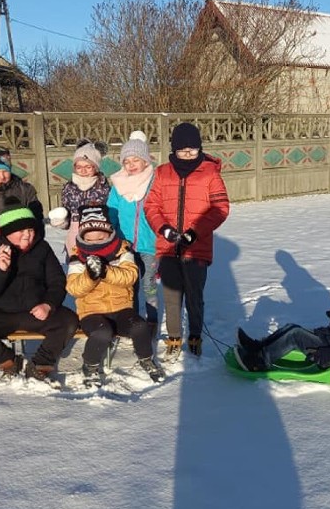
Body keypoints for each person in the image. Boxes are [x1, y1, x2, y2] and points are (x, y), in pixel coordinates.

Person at [0, 197, 79, 380]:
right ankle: (9, 361)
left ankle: (41, 364)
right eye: (20, 230)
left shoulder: (42, 248)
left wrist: (48, 304)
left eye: (30, 229)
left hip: (34, 310)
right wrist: (0, 270)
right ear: (6, 232)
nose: (27, 235)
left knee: (68, 320)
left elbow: (57, 281)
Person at [144, 122, 230, 357]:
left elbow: (220, 207)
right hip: (169, 247)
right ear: (174, 150)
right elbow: (151, 205)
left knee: (194, 296)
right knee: (172, 297)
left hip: (197, 248)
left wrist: (195, 232)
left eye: (193, 150)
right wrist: (163, 229)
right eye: (183, 150)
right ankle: (173, 337)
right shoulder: (162, 173)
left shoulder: (210, 173)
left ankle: (195, 335)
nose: (188, 154)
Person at [66, 204, 165, 387]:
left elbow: (130, 276)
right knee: (102, 332)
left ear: (109, 232)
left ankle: (146, 359)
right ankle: (90, 365)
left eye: (100, 237)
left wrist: (105, 271)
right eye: (90, 238)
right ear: (82, 236)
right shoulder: (77, 256)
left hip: (121, 309)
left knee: (139, 326)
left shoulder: (122, 250)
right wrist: (91, 275)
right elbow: (74, 288)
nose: (95, 242)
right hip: (91, 312)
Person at [107, 132, 159, 334]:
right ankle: (134, 321)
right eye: (126, 161)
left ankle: (152, 320)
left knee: (148, 284)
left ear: (146, 160)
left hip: (150, 244)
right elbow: (111, 211)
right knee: (130, 284)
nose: (131, 165)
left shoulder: (154, 183)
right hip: (125, 244)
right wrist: (114, 238)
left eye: (135, 160)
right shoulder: (118, 185)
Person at [52, 142, 111, 261]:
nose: (83, 171)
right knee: (76, 269)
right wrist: (62, 221)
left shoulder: (103, 187)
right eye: (79, 167)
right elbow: (67, 213)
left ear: (96, 167)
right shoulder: (69, 188)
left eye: (88, 167)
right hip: (74, 236)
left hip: (97, 235)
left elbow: (109, 215)